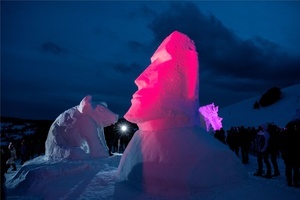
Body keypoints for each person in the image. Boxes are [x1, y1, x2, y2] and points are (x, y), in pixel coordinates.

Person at [280, 121, 300, 187]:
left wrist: (283, 154)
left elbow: (282, 145)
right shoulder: (297, 134)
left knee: (288, 168)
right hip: (295, 155)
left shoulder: (284, 134)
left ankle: (289, 181)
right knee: (296, 169)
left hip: (287, 154)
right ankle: (296, 182)